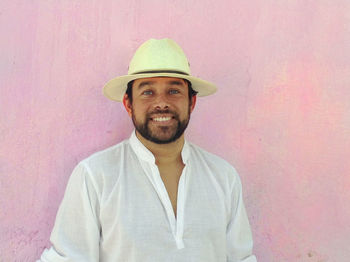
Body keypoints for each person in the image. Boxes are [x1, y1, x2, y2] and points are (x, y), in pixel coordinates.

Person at [38, 38, 257, 262]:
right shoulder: (95, 177)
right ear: (128, 103)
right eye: (147, 92)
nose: (161, 103)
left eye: (173, 91)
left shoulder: (223, 177)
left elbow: (241, 259)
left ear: (191, 102)